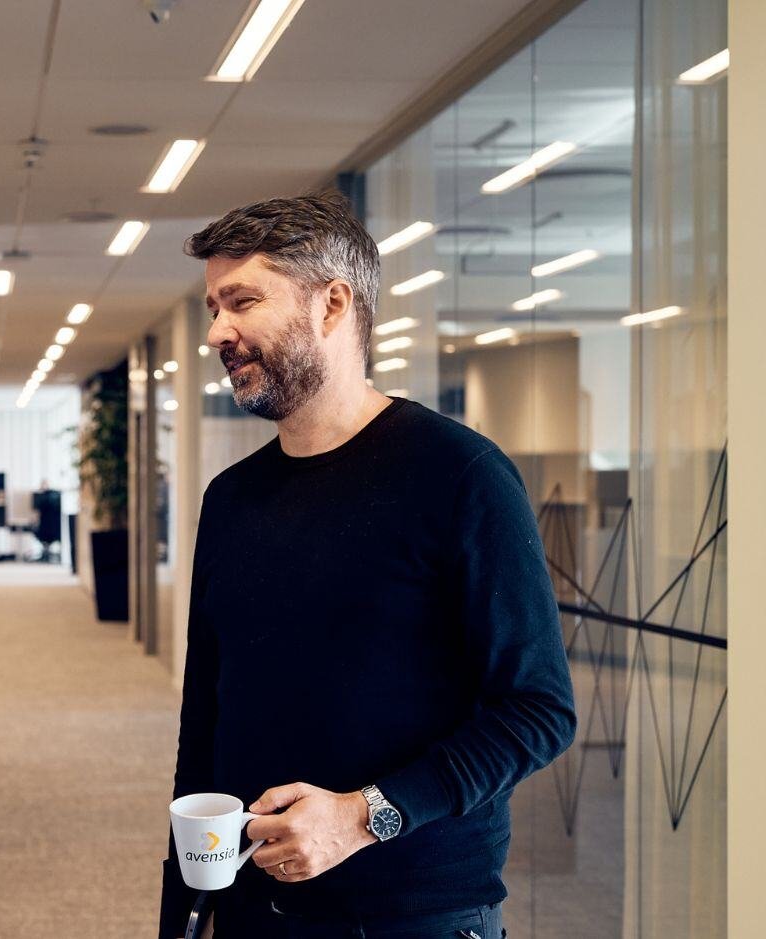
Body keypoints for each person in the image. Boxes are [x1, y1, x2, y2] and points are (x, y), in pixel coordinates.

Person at [158, 193, 576, 939]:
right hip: (257, 910)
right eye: (213, 307)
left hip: (415, 913)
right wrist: (184, 915)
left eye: (242, 300)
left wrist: (363, 815)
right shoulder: (232, 499)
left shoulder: (461, 476)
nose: (218, 330)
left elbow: (537, 710)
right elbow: (206, 726)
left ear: (333, 303)